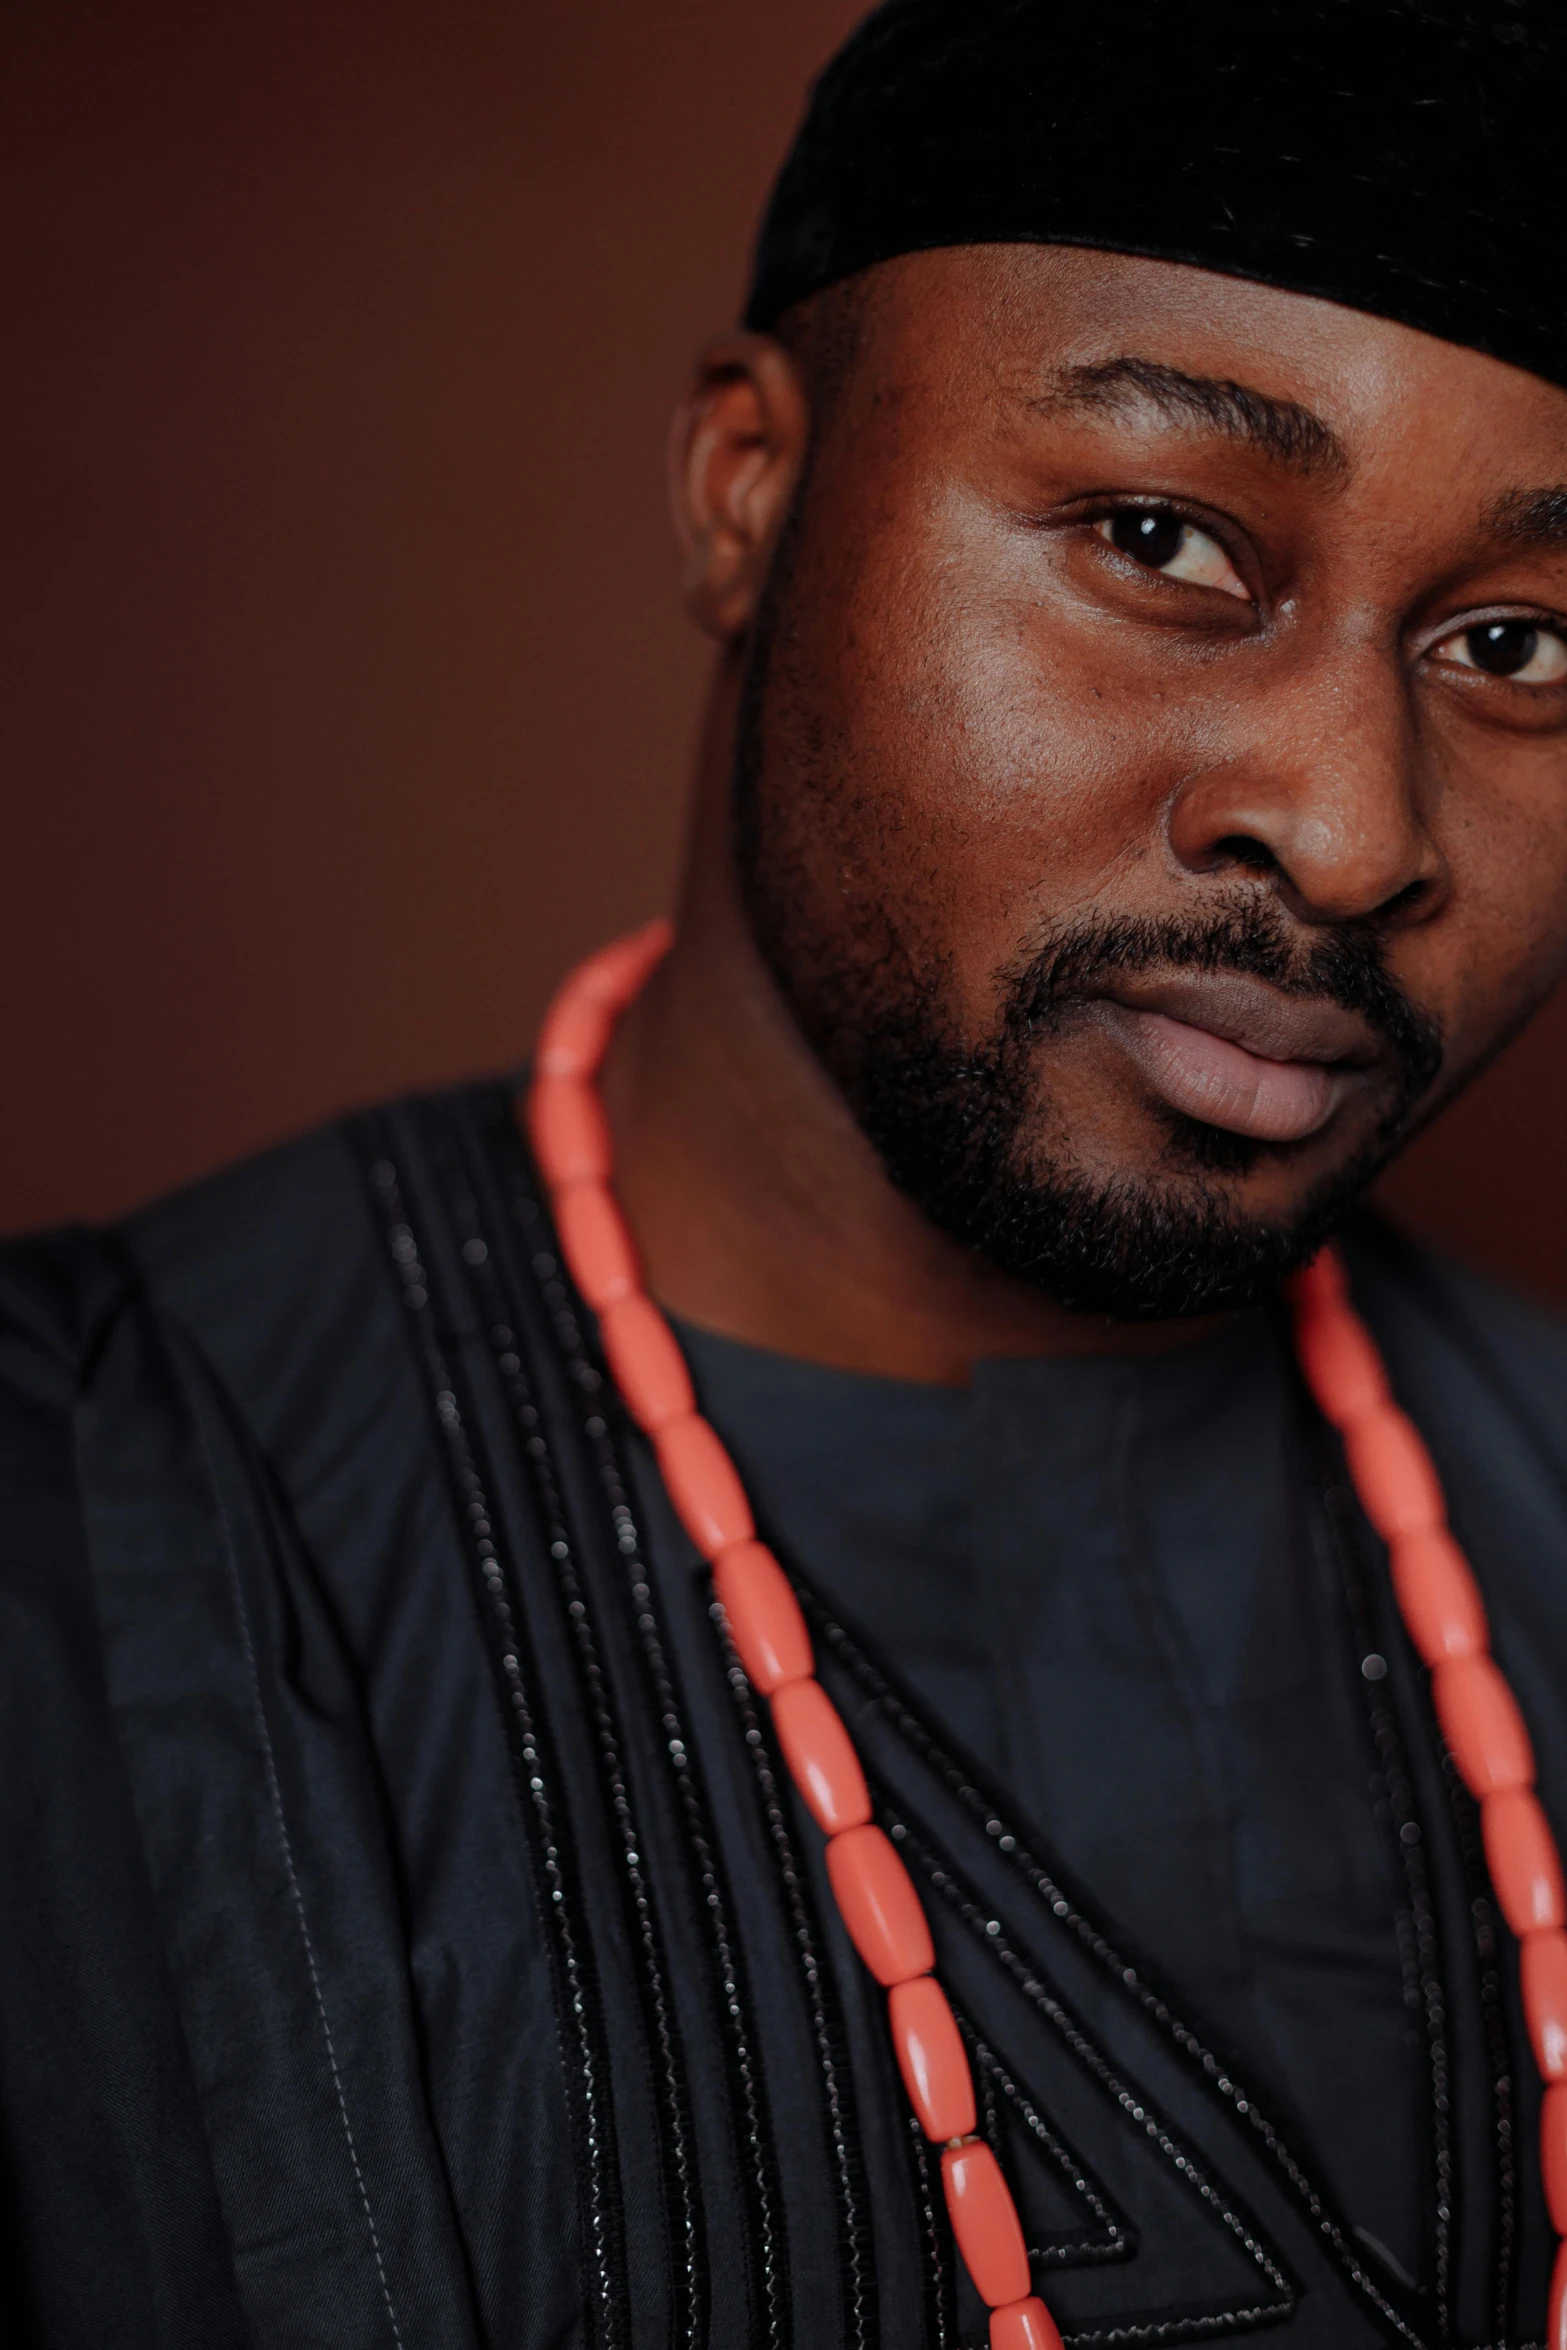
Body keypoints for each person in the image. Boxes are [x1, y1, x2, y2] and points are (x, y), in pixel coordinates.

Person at [5, 0, 1567, 2341]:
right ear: (749, 486)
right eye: (1160, 538)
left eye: (1520, 642)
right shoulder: (84, 1520)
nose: (1348, 828)